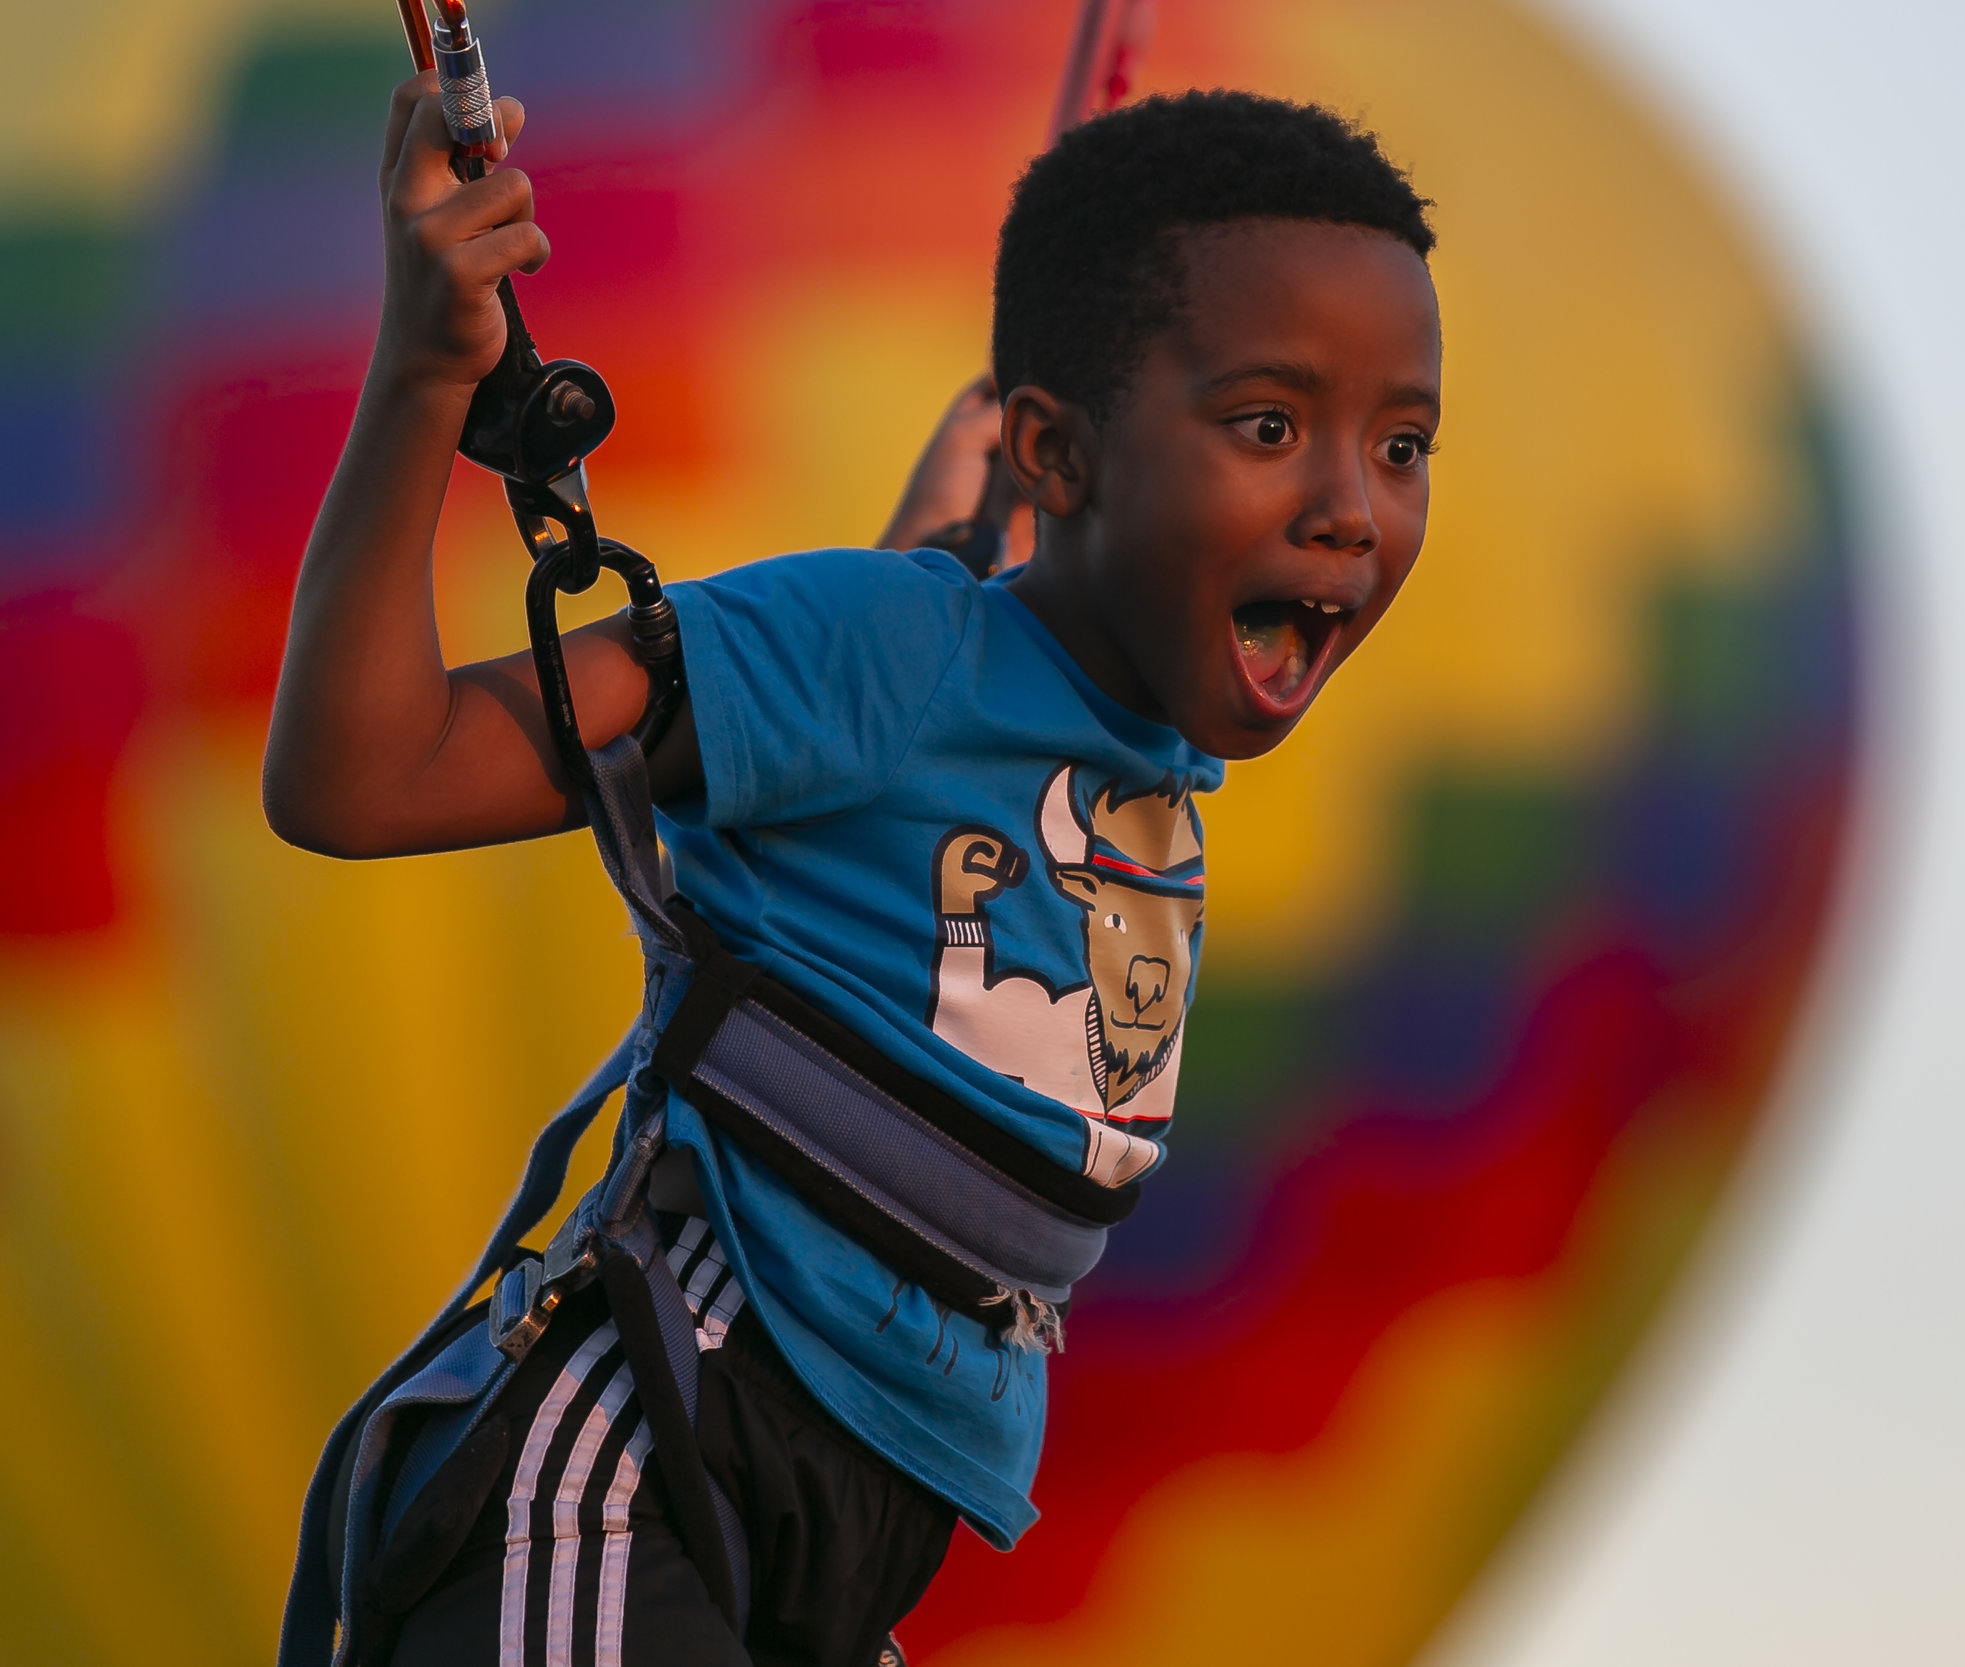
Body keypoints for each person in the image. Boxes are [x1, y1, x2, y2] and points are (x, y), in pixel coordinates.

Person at [264, 74, 1441, 1667]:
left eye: (1403, 444)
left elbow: (898, 769)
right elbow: (363, 775)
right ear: (1058, 454)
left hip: (849, 1568)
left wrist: (938, 556)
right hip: (644, 1474)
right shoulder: (888, 645)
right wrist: (424, 374)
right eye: (1267, 426)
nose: (1353, 510)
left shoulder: (1140, 760)